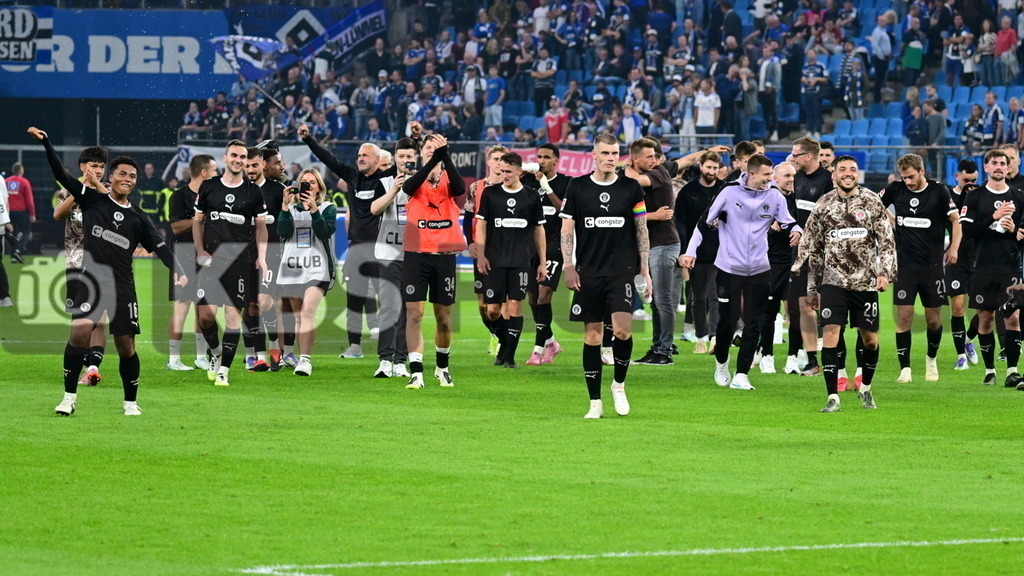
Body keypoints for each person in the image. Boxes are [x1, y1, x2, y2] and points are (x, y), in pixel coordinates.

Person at [30, 126, 189, 417]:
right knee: (79, 333)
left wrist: (178, 270)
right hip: (91, 281)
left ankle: (130, 402)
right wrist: (47, 144)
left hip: (123, 287)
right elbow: (61, 175)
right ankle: (68, 397)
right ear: (111, 177)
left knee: (126, 346)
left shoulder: (139, 217)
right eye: (122, 174)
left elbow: (161, 247)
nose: (127, 179)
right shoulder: (92, 199)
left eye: (132, 176)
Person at [686, 154, 799, 390]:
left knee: (754, 322)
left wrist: (797, 230)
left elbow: (788, 221)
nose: (770, 179)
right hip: (729, 268)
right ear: (753, 173)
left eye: (771, 175)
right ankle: (722, 363)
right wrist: (691, 251)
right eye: (767, 175)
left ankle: (742, 374)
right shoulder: (729, 193)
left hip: (759, 269)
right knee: (727, 322)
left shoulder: (774, 195)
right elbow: (704, 222)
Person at [794, 155, 897, 412]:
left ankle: (866, 389)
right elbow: (813, 248)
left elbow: (886, 241)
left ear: (858, 174)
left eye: (853, 169)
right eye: (843, 170)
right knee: (830, 334)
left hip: (865, 283)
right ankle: (833, 397)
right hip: (833, 282)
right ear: (834, 175)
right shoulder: (824, 204)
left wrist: (885, 273)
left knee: (870, 340)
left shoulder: (872, 201)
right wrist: (812, 288)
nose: (848, 173)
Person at [559, 132, 651, 418]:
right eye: (606, 153)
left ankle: (619, 386)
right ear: (594, 155)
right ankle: (594, 402)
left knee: (623, 330)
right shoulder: (577, 187)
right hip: (588, 271)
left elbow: (641, 229)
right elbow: (566, 231)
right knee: (593, 336)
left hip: (622, 270)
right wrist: (568, 265)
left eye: (615, 153)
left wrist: (645, 270)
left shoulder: (631, 188)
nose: (611, 158)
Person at [298, 124, 393, 360]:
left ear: (377, 159)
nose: (360, 158)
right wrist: (309, 140)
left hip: (382, 248)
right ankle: (355, 346)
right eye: (359, 155)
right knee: (354, 299)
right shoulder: (352, 177)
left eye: (365, 155)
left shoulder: (388, 179)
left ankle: (391, 350)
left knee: (390, 297)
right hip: (356, 248)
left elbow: (410, 168)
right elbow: (329, 159)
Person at [193, 139, 269, 386]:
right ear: (225, 158)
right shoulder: (209, 187)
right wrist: (200, 250)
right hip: (212, 261)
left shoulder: (253, 191)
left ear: (246, 161)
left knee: (233, 316)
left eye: (242, 157)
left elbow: (261, 229)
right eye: (234, 155)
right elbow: (197, 222)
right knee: (205, 316)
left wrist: (262, 258)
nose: (238, 160)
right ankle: (215, 352)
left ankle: (224, 369)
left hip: (240, 261)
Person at [881, 154, 961, 384]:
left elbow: (956, 220)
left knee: (933, 320)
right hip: (905, 266)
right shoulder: (896, 189)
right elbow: (875, 206)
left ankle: (931, 360)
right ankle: (904, 368)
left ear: (922, 171)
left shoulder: (939, 191)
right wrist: (892, 221)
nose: (908, 181)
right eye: (904, 177)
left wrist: (954, 247)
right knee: (904, 316)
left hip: (932, 266)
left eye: (911, 177)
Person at [401, 134, 467, 389]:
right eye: (428, 148)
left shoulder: (450, 179)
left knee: (444, 318)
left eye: (435, 148)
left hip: (444, 257)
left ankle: (442, 367)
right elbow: (408, 189)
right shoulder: (413, 179)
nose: (432, 151)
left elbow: (460, 190)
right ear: (421, 153)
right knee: (414, 315)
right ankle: (416, 372)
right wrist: (433, 160)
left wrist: (445, 157)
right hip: (416, 255)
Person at [960, 148, 1024, 387]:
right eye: (993, 163)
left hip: (1010, 268)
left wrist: (1014, 231)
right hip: (982, 267)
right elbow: (967, 232)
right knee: (985, 318)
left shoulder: (1019, 196)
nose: (998, 166)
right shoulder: (975, 197)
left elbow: (1022, 233)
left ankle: (1013, 371)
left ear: (1008, 168)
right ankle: (989, 370)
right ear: (985, 167)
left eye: (1002, 163)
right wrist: (994, 217)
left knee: (1012, 317)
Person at [475, 152, 546, 368]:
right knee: (493, 310)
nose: (503, 174)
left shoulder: (532, 196)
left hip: (521, 260)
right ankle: (505, 345)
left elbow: (538, 229)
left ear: (519, 171)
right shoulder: (490, 194)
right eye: (501, 170)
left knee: (515, 304)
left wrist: (542, 261)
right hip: (495, 260)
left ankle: (509, 357)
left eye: (507, 171)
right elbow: (481, 225)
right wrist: (481, 254)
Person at [53, 145, 110, 387]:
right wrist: (79, 191)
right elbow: (58, 214)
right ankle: (83, 364)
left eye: (100, 166)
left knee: (102, 317)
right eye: (93, 166)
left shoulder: (107, 192)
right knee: (81, 321)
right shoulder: (66, 190)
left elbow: (111, 209)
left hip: (104, 263)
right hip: (76, 263)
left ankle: (93, 367)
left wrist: (94, 187)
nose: (97, 170)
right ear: (82, 167)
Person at [276, 169, 337, 376]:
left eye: (312, 182)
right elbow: (282, 232)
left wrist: (313, 210)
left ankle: (305, 360)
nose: (308, 186)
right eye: (304, 182)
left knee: (308, 312)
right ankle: (296, 356)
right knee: (298, 315)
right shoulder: (291, 208)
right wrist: (285, 206)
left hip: (317, 267)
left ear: (319, 187)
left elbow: (325, 231)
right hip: (293, 266)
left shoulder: (328, 207)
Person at [625, 138, 678, 366]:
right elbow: (625, 214)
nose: (654, 160)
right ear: (637, 157)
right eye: (649, 156)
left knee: (662, 299)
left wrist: (623, 169)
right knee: (656, 301)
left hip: (664, 244)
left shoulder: (659, 173)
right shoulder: (632, 176)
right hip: (649, 246)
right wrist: (652, 215)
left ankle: (664, 351)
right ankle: (657, 348)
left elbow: (634, 179)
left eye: (655, 156)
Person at [369, 138, 418, 378]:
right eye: (402, 156)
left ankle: (401, 360)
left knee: (408, 310)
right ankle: (385, 360)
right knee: (389, 306)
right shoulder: (384, 182)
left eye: (410, 157)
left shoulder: (422, 183)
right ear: (396, 157)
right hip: (388, 254)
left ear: (415, 158)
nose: (406, 161)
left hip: (414, 254)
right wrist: (394, 190)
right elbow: (374, 209)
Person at [166, 154, 217, 371]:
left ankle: (200, 357)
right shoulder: (179, 196)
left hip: (205, 256)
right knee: (182, 308)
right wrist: (200, 218)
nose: (217, 175)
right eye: (214, 171)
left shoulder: (212, 196)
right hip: (184, 254)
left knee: (202, 307)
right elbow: (175, 227)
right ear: (204, 173)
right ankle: (173, 359)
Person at [789, 137, 833, 376]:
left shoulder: (828, 181)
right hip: (800, 255)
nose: (792, 158)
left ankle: (832, 356)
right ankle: (813, 360)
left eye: (795, 154)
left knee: (825, 307)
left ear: (808, 156)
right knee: (803, 306)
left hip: (825, 255)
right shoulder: (796, 178)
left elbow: (830, 220)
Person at [675, 150, 726, 353]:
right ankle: (700, 337)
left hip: (719, 252)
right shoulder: (688, 192)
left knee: (715, 296)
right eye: (708, 167)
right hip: (694, 252)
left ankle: (713, 337)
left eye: (715, 168)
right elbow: (680, 223)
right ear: (701, 167)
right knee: (697, 297)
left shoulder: (724, 190)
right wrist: (685, 251)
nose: (712, 171)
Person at [525, 143, 569, 365]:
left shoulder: (566, 183)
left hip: (555, 246)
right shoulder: (528, 182)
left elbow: (565, 211)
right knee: (533, 299)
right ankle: (551, 341)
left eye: (546, 157)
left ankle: (538, 349)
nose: (541, 160)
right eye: (539, 156)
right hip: (530, 247)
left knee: (544, 295)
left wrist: (547, 188)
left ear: (556, 161)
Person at [755, 161, 799, 373]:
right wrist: (769, 228)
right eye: (787, 176)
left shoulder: (799, 201)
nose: (791, 179)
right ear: (775, 178)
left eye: (793, 175)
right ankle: (767, 355)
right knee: (769, 311)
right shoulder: (765, 200)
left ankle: (793, 357)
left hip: (795, 262)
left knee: (796, 311)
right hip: (771, 263)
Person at [946, 159, 980, 369]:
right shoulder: (947, 196)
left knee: (987, 310)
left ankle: (968, 340)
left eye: (974, 180)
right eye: (966, 179)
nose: (970, 183)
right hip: (957, 259)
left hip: (980, 258)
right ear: (956, 176)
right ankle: (960, 356)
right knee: (958, 307)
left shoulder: (981, 195)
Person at [259, 146, 290, 371]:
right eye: (278, 162)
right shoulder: (246, 189)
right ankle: (258, 353)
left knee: (273, 303)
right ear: (265, 164)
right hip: (245, 254)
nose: (282, 166)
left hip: (273, 254)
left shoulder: (279, 190)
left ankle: (279, 351)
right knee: (250, 305)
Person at [5, 162, 34, 258]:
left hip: (8, 212)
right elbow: (29, 201)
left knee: (11, 233)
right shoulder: (25, 182)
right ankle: (18, 249)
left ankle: (13, 256)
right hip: (21, 212)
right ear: (22, 170)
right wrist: (32, 214)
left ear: (13, 170)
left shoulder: (6, 181)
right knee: (26, 232)